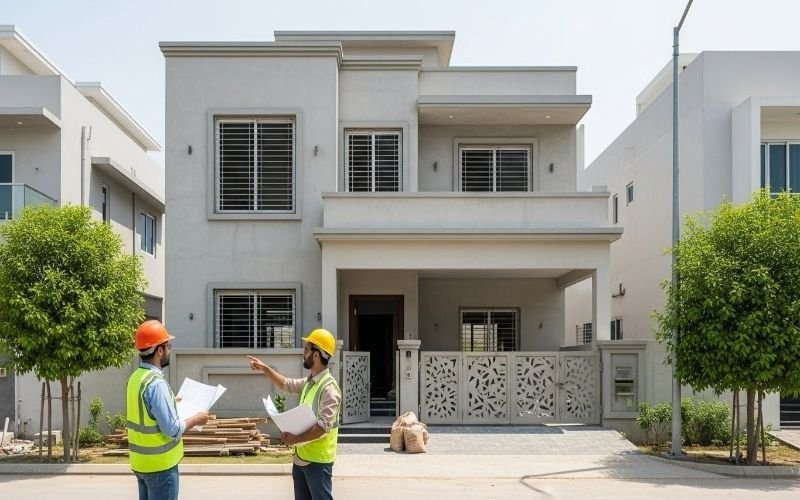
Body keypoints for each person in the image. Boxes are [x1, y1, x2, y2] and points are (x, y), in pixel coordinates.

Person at [247, 328, 342, 500]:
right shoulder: (309, 382)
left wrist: (294, 439)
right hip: (301, 458)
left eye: (306, 349)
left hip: (318, 462)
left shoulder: (329, 389)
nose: (303, 353)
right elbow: (287, 385)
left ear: (316, 355)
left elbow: (323, 428)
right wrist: (266, 369)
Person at [127, 320, 210, 500]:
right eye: (168, 346)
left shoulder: (136, 378)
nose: (170, 350)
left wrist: (172, 400)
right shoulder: (156, 384)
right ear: (159, 350)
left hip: (141, 464)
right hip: (160, 467)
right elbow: (171, 429)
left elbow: (145, 411)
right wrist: (198, 418)